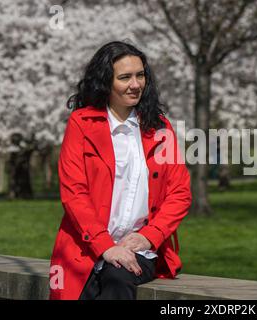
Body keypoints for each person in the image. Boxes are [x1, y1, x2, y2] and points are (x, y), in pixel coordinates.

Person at [49, 41, 192, 300]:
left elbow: (179, 193)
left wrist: (150, 236)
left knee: (118, 277)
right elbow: (74, 193)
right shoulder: (81, 124)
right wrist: (105, 246)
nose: (135, 84)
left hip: (139, 249)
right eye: (125, 77)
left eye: (140, 75)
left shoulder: (160, 128)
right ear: (106, 82)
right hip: (84, 247)